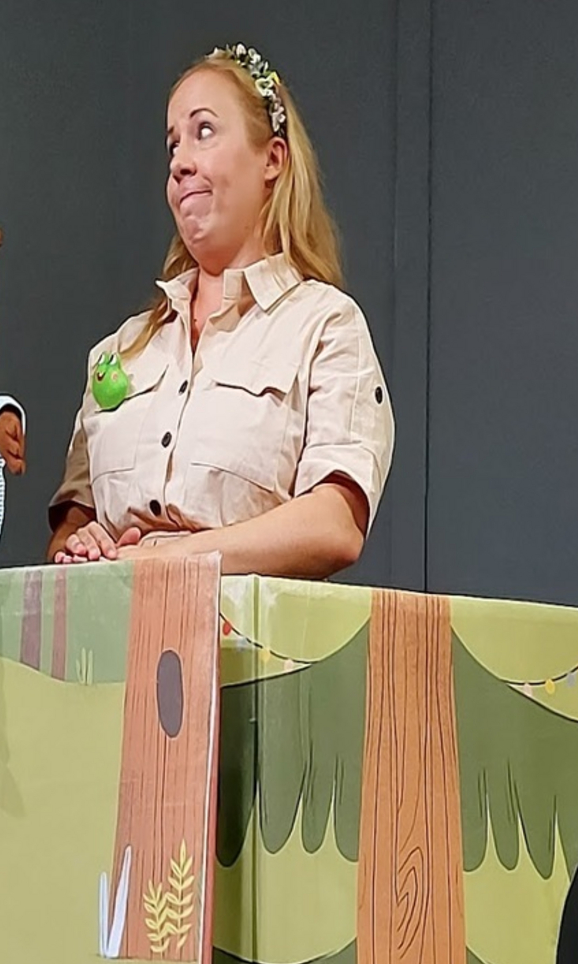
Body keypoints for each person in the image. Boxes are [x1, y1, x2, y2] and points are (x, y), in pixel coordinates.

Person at [47, 44, 394, 578]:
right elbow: (71, 525)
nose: (180, 162)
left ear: (272, 159)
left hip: (244, 632)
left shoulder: (325, 326)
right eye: (173, 144)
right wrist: (81, 543)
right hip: (113, 629)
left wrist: (167, 559)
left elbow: (335, 524)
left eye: (204, 131)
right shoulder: (120, 349)